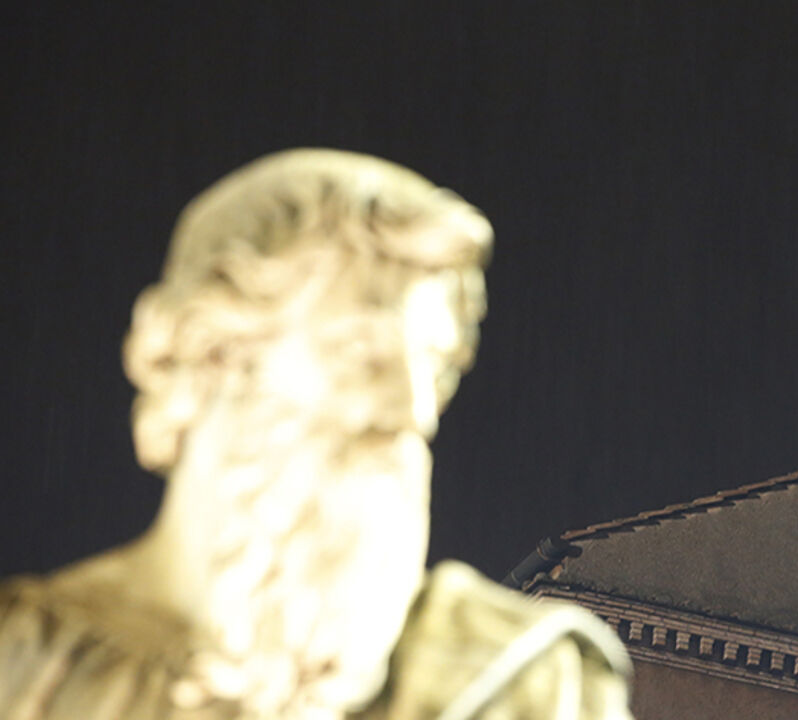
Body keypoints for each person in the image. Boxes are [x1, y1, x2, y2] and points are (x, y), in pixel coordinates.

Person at [0, 149, 632, 720]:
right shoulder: (21, 662)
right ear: (214, 356)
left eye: (435, 366)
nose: (414, 412)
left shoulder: (522, 686)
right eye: (360, 352)